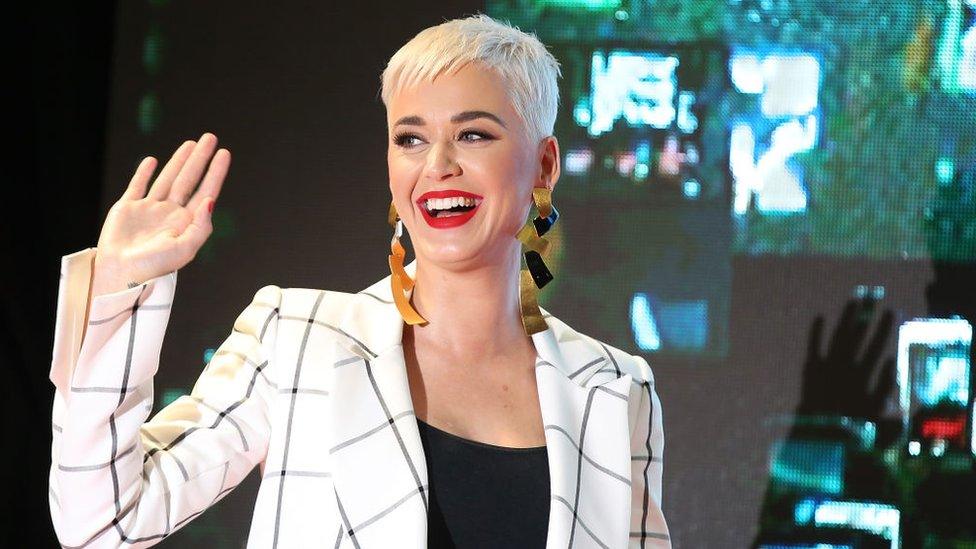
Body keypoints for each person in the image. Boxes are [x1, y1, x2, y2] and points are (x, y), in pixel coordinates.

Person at [48, 14, 670, 548]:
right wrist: (115, 292)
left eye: (473, 134)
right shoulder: (295, 340)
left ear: (543, 164)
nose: (438, 165)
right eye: (411, 138)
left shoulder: (616, 392)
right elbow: (102, 524)